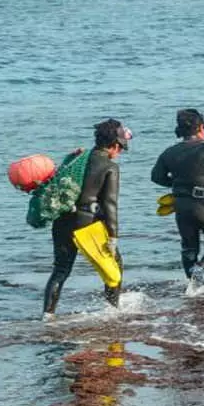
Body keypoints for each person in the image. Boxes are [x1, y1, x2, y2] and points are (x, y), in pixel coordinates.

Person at [42, 118, 127, 319]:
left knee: (61, 269)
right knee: (115, 265)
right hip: (88, 225)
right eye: (120, 148)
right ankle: (112, 310)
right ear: (114, 146)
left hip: (62, 219)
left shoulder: (76, 158)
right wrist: (113, 236)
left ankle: (47, 315)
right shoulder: (110, 167)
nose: (120, 153)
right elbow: (110, 205)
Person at [150, 109, 204, 284]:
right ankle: (200, 268)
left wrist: (179, 184)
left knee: (189, 248)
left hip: (182, 205)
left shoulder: (169, 152)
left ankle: (193, 287)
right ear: (201, 127)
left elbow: (156, 177)